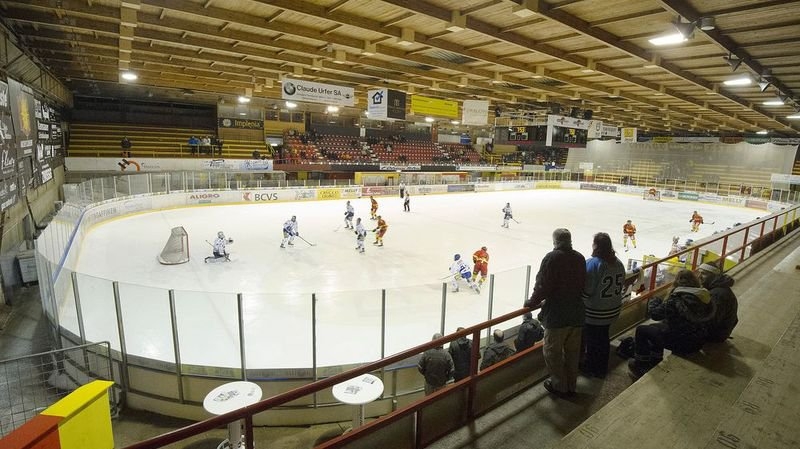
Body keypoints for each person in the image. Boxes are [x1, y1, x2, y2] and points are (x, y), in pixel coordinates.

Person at [524, 228, 586, 397]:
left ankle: (560, 386)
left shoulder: (552, 258)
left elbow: (543, 285)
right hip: (577, 314)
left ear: (555, 242)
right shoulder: (580, 257)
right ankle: (572, 385)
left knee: (552, 352)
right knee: (573, 352)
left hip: (557, 316)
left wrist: (532, 302)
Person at [628, 269, 715, 379]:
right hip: (699, 340)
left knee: (642, 330)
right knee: (654, 328)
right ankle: (655, 358)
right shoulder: (704, 296)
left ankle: (641, 364)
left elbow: (655, 315)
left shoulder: (677, 299)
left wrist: (654, 301)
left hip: (683, 343)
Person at [580, 232, 625, 378]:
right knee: (603, 338)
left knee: (593, 341)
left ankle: (594, 368)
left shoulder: (593, 264)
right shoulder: (618, 263)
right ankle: (601, 366)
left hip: (595, 312)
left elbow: (586, 291)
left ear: (596, 245)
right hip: (612, 310)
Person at [698, 262, 738, 342]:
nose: (699, 276)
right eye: (699, 273)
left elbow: (712, 321)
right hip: (723, 331)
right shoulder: (721, 288)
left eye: (703, 274)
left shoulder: (717, 295)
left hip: (716, 335)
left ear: (714, 276)